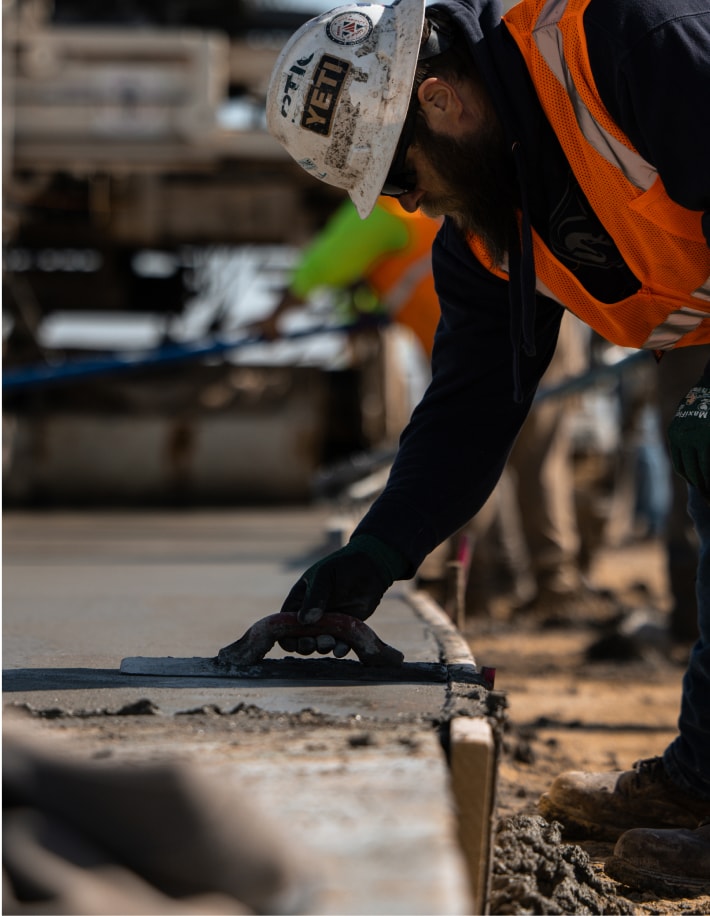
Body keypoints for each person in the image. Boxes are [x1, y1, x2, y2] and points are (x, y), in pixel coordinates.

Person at [264, 0, 710, 895]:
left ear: (439, 100)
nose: (408, 204)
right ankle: (703, 781)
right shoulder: (490, 232)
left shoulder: (634, 43)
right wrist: (380, 550)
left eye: (400, 180)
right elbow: (471, 405)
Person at [254, 195, 442, 360]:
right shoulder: (402, 210)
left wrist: (274, 318)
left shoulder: (378, 209)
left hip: (460, 336)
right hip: (457, 337)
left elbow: (319, 269)